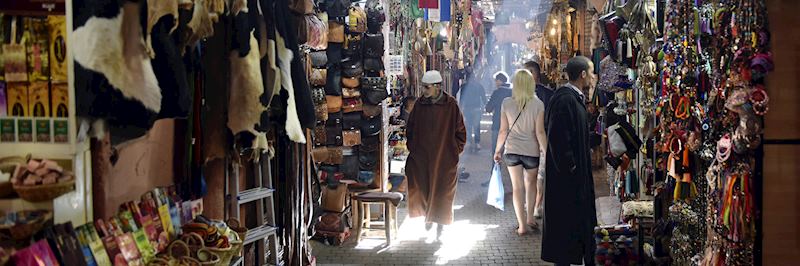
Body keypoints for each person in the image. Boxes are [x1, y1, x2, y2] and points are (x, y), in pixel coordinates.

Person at [541, 56, 597, 266]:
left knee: (571, 229)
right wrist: (571, 168)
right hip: (566, 183)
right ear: (582, 74)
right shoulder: (565, 100)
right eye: (591, 73)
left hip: (573, 180)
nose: (593, 78)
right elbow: (559, 140)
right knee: (565, 230)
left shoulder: (572, 99)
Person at [405, 70, 467, 241]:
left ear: (437, 87)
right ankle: (428, 216)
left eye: (427, 87)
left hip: (445, 159)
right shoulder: (419, 104)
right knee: (422, 188)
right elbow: (410, 129)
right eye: (423, 87)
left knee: (442, 192)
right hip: (422, 158)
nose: (424, 90)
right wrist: (414, 148)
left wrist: (454, 151)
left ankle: (439, 223)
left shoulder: (451, 105)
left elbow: (461, 131)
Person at [492, 69, 547, 236]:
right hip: (531, 152)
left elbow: (503, 131)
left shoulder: (507, 103)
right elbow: (540, 132)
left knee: (517, 188)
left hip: (512, 150)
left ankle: (522, 226)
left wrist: (497, 151)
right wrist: (547, 151)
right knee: (531, 185)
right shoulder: (538, 104)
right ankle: (530, 217)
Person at [524, 60, 552, 219]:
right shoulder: (520, 94)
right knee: (531, 175)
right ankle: (532, 203)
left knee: (539, 175)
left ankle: (537, 204)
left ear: (535, 74)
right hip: (526, 142)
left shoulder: (546, 95)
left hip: (540, 141)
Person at [482, 72, 512, 187]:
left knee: (496, 153)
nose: (495, 83)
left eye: (496, 81)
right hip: (512, 127)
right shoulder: (513, 92)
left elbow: (489, 108)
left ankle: (494, 181)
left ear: (500, 81)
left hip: (498, 126)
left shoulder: (497, 92)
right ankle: (509, 181)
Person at [459, 72, 487, 153]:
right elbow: (483, 97)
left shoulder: (464, 86)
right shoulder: (479, 86)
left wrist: (461, 108)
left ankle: (470, 142)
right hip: (476, 108)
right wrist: (485, 106)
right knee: (476, 126)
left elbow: (462, 98)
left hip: (468, 108)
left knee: (468, 126)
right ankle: (477, 142)